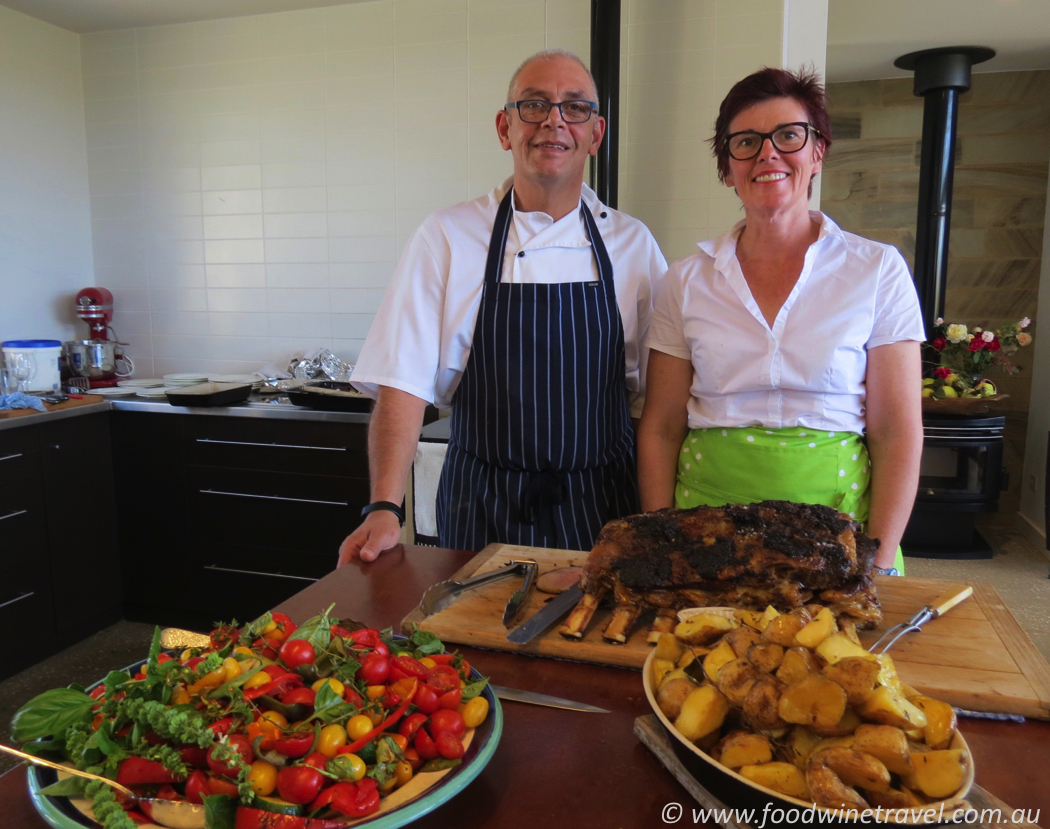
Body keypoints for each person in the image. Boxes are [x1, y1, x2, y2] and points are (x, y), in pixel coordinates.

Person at [338, 49, 667, 564]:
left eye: (574, 107)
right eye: (534, 104)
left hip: (606, 507)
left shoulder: (633, 244)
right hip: (481, 505)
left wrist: (662, 521)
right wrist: (384, 506)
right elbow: (402, 382)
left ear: (596, 134)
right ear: (504, 127)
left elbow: (662, 401)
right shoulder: (447, 236)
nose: (554, 121)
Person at [636, 67, 924, 575]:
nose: (768, 153)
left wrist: (876, 560)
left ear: (818, 152)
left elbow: (896, 430)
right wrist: (662, 541)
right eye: (745, 142)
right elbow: (661, 427)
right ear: (727, 168)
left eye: (789, 135)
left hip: (841, 530)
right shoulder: (684, 280)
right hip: (706, 525)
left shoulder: (877, 269)